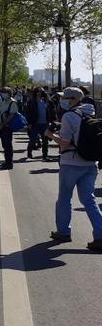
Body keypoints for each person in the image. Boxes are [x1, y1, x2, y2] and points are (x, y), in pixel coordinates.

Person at [46, 87, 102, 251]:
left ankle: (63, 232)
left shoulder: (69, 116)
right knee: (89, 200)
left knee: (64, 197)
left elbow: (65, 143)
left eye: (65, 98)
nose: (62, 100)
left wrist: (50, 135)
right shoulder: (90, 113)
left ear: (73, 100)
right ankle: (100, 235)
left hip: (71, 162)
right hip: (90, 163)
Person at [25, 88, 54, 161]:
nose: (43, 93)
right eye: (42, 91)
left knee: (45, 141)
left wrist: (47, 97)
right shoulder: (31, 101)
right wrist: (29, 123)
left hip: (44, 124)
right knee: (32, 139)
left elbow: (51, 108)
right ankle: (29, 154)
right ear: (37, 93)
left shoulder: (45, 101)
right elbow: (28, 113)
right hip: (35, 123)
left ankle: (45, 156)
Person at [0, 86, 19, 170]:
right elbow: (1, 111)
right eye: (2, 92)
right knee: (5, 144)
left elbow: (11, 115)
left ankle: (9, 162)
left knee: (7, 144)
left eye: (5, 92)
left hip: (7, 126)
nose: (3, 94)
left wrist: (3, 124)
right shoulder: (4, 101)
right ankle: (7, 161)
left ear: (9, 93)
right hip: (3, 126)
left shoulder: (12, 102)